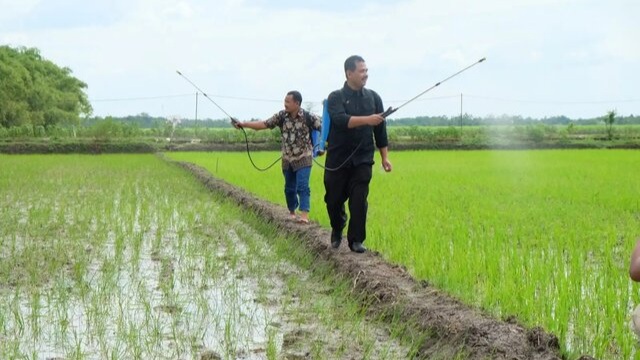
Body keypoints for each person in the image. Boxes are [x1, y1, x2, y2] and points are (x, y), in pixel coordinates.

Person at [324, 55, 392, 253]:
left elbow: (380, 130)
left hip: (363, 158)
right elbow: (340, 120)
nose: (366, 75)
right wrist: (368, 119)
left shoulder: (374, 97)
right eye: (362, 71)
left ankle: (356, 240)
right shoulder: (335, 97)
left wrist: (384, 157)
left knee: (359, 199)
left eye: (366, 71)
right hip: (338, 159)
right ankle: (338, 226)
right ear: (349, 73)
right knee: (333, 200)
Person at [233, 90, 321, 224]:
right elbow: (264, 124)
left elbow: (324, 129)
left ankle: (304, 215)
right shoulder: (281, 116)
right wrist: (244, 124)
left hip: (304, 156)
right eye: (285, 101)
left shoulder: (309, 117)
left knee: (303, 186)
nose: (285, 104)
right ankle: (292, 211)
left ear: (297, 103)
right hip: (287, 158)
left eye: (288, 102)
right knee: (289, 188)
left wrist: (324, 145)